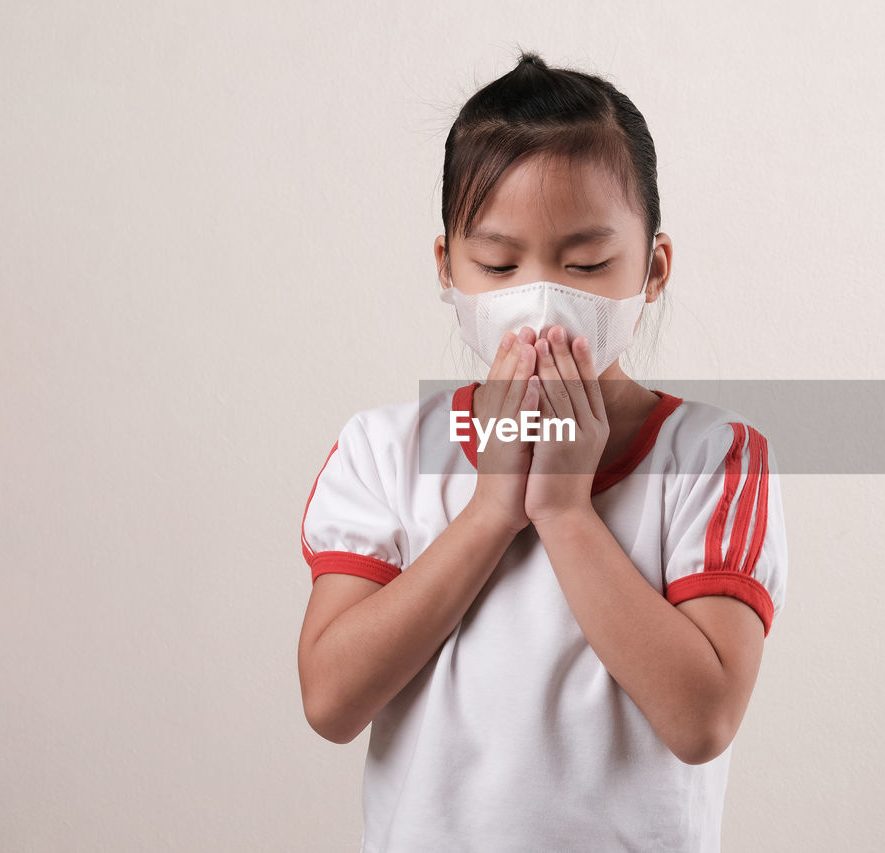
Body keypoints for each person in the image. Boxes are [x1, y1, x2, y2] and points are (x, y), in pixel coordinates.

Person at [297, 50, 789, 853]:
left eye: (587, 264)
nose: (541, 301)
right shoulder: (384, 451)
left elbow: (702, 720)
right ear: (447, 269)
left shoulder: (712, 457)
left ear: (653, 269)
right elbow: (331, 700)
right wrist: (493, 509)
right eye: (497, 264)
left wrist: (561, 509)